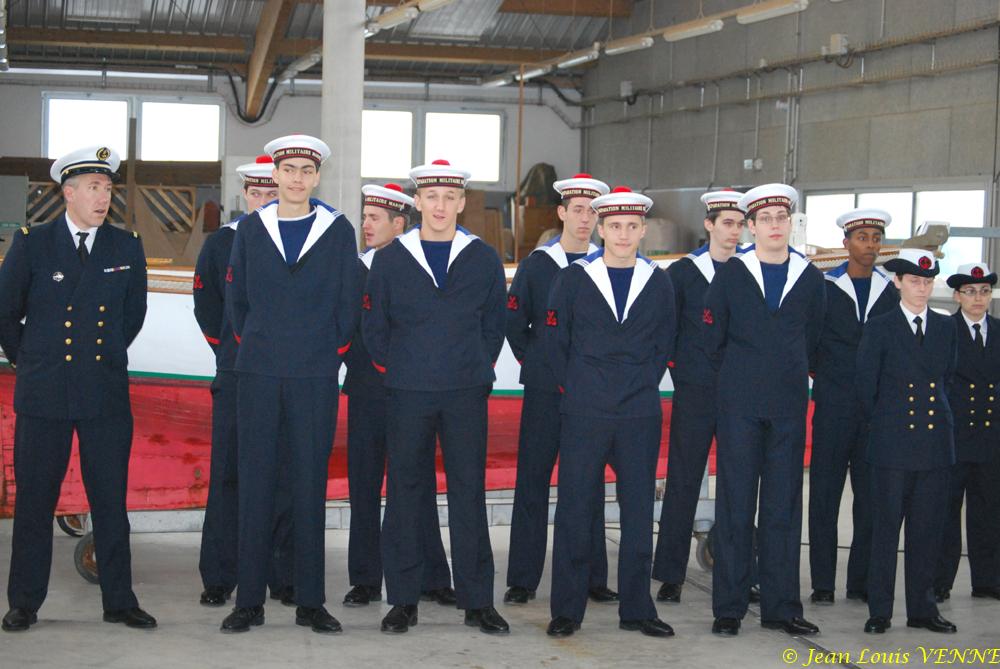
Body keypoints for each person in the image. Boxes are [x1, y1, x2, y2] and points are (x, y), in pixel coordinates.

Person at [0, 146, 153, 631]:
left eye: (107, 188)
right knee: (34, 501)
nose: (103, 197)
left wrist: (101, 355)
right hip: (44, 392)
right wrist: (30, 360)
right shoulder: (33, 243)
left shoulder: (125, 246)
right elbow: (6, 311)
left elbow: (132, 316)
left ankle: (119, 600)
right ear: (68, 193)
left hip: (103, 390)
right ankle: (24, 602)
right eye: (93, 187)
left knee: (109, 500)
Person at [222, 134, 360, 634]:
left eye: (306, 170)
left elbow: (349, 300)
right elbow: (236, 300)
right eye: (289, 169)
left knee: (308, 486)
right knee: (255, 485)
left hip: (314, 375)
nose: (297, 178)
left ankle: (310, 601)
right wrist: (259, 343)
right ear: (275, 175)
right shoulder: (251, 229)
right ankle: (249, 602)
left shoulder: (337, 230)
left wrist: (328, 351)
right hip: (259, 372)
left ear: (317, 176)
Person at [363, 160, 508, 635]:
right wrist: (398, 369)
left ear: (462, 203)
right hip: (408, 391)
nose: (440, 206)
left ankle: (478, 601)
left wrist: (476, 367)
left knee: (469, 493)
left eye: (449, 197)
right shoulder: (391, 259)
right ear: (417, 202)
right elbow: (374, 326)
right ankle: (403, 600)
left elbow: (494, 325)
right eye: (431, 197)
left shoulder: (482, 257)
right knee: (404, 494)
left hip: (465, 392)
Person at [545, 186, 676, 638]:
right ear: (601, 229)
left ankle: (637, 609)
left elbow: (665, 342)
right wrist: (582, 385)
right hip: (585, 409)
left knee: (638, 511)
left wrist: (638, 382)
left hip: (639, 411)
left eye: (631, 226)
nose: (623, 234)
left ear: (642, 231)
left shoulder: (658, 281)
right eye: (614, 226)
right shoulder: (574, 278)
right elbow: (555, 342)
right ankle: (567, 609)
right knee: (575, 509)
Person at [704, 183, 825, 637]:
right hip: (739, 407)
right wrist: (743, 375)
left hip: (788, 407)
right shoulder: (732, 274)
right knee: (736, 506)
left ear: (791, 223)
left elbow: (815, 338)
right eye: (766, 219)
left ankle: (781, 607)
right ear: (750, 227)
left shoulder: (809, 278)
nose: (775, 225)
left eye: (782, 217)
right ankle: (729, 607)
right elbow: (713, 338)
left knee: (783, 507)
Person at [504, 173, 617, 606]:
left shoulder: (608, 265)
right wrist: (540, 363)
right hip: (545, 391)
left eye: (592, 212)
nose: (585, 219)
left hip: (592, 393)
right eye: (578, 210)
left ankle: (591, 576)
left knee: (587, 484)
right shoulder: (538, 265)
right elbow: (515, 323)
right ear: (562, 213)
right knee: (532, 480)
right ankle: (522, 578)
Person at [194, 155, 302, 608]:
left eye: (270, 193)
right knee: (229, 475)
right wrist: (231, 352)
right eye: (255, 193)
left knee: (285, 475)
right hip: (237, 375)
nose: (263, 201)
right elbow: (207, 306)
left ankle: (283, 575)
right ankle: (221, 575)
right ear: (244, 195)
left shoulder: (300, 240)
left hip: (285, 376)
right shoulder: (222, 243)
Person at [341, 183, 454, 608]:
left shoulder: (416, 266)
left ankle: (431, 575)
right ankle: (365, 578)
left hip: (411, 390)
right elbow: (344, 323)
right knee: (364, 483)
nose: (366, 225)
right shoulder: (354, 269)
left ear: (399, 223)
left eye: (375, 218)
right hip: (367, 388)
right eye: (364, 217)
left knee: (417, 482)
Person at [858, 248, 957, 635]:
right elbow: (867, 388)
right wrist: (889, 424)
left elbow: (947, 379)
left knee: (927, 532)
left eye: (928, 281)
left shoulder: (945, 327)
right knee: (885, 531)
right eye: (914, 281)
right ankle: (880, 610)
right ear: (897, 282)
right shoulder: (880, 327)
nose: (922, 288)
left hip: (934, 445)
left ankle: (922, 609)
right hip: (892, 444)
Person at [653, 189, 744, 604]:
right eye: (727, 223)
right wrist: (683, 373)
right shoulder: (683, 274)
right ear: (709, 225)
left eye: (740, 224)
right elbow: (666, 330)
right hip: (695, 392)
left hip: (739, 394)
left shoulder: (749, 271)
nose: (734, 231)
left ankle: (736, 567)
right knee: (683, 480)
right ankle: (670, 573)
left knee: (737, 483)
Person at [808, 208, 899, 605]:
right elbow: (810, 341)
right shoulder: (825, 287)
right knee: (824, 496)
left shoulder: (889, 290)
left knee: (870, 500)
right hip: (833, 407)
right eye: (862, 238)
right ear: (846, 243)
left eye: (876, 239)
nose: (870, 246)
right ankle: (823, 584)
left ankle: (859, 582)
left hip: (875, 411)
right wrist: (829, 378)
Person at [932, 264, 1000, 603]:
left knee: (989, 511)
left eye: (984, 291)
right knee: (946, 512)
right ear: (957, 296)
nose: (978, 298)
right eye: (970, 291)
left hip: (991, 435)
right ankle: (940, 581)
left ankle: (988, 579)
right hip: (955, 435)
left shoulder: (999, 330)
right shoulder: (945, 330)